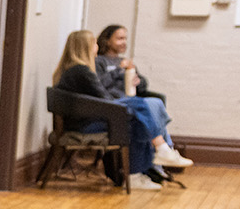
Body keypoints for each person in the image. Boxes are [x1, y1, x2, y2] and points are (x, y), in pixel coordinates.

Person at [54, 30, 192, 189]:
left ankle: (142, 168)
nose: (97, 46)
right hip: (83, 126)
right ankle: (157, 153)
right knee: (137, 110)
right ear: (86, 46)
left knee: (137, 113)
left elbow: (101, 98)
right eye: (94, 43)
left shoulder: (73, 69)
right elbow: (105, 99)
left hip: (81, 121)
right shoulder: (82, 71)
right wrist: (128, 102)